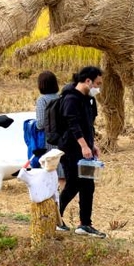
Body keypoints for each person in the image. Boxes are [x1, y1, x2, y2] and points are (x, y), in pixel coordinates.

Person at [56, 65, 105, 238]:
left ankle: (85, 224)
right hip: (71, 149)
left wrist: (92, 144)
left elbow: (88, 125)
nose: (98, 88)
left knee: (87, 185)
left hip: (85, 150)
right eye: (97, 83)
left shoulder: (88, 99)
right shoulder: (71, 99)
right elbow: (73, 125)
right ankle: (55, 216)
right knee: (74, 184)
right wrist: (84, 146)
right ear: (87, 81)